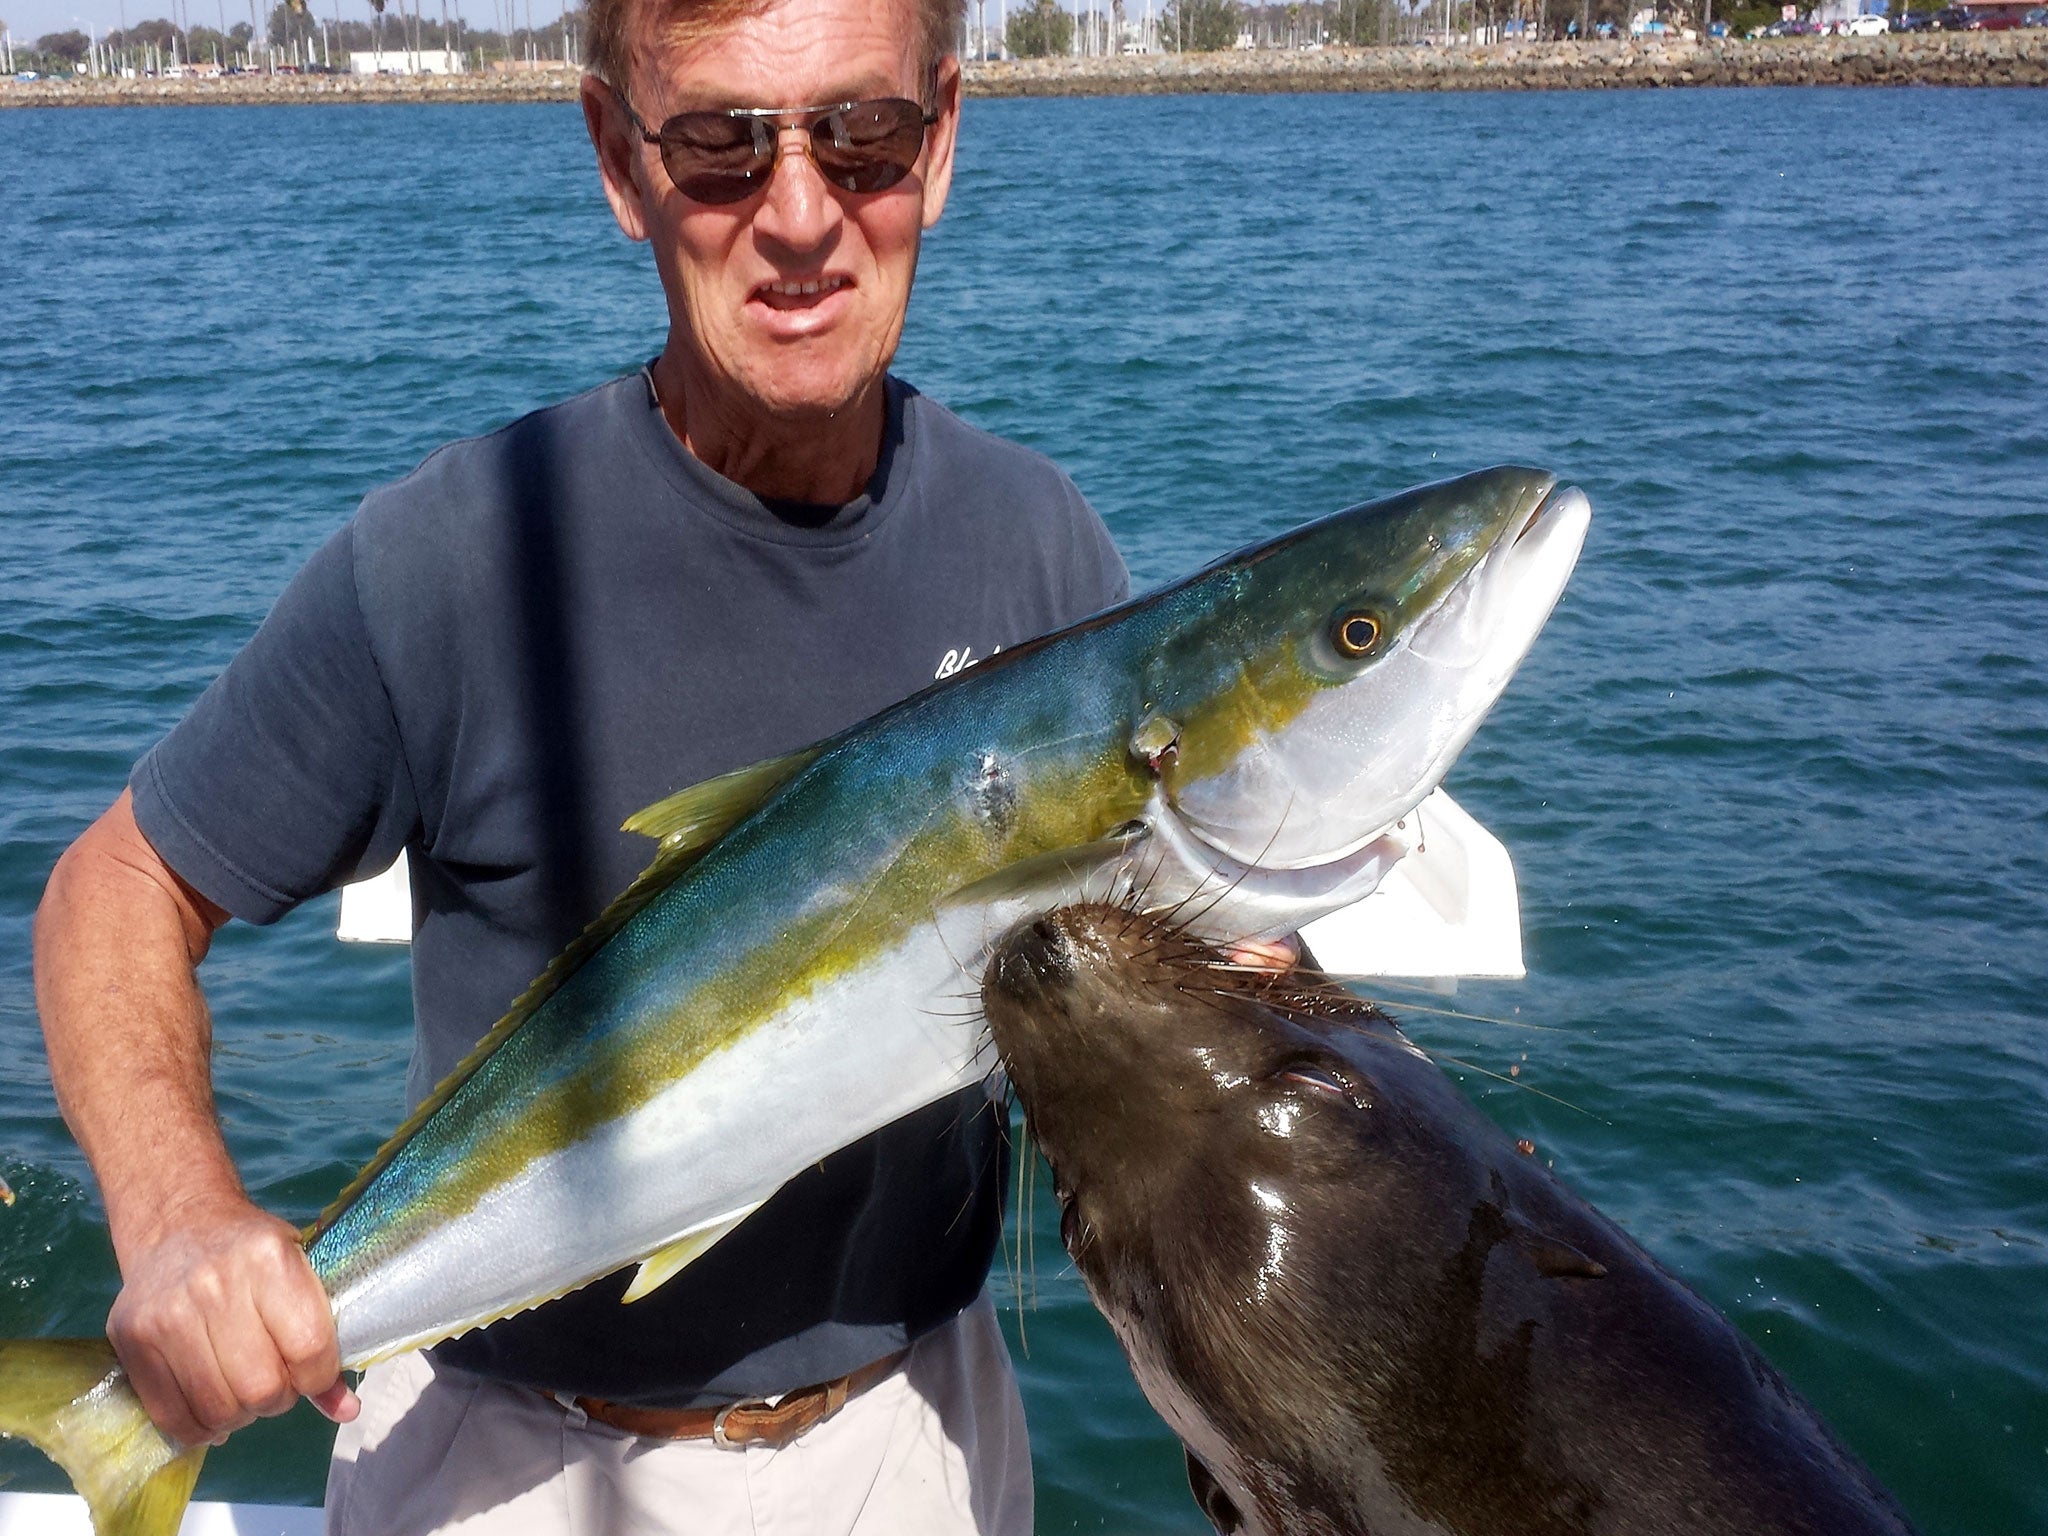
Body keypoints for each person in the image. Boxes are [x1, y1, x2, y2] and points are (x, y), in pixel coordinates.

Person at [31, 0, 1131, 1526]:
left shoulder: (1040, 544)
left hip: (917, 1439)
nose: (802, 216)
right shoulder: (456, 559)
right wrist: (175, 1220)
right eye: (720, 146)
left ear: (942, 141)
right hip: (501, 1454)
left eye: (863, 135)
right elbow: (117, 885)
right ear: (618, 160)